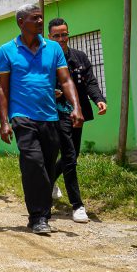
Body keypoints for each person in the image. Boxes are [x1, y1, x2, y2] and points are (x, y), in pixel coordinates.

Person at [0, 4, 83, 235]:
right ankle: (38, 216)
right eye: (35, 18)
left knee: (45, 166)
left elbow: (65, 81)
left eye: (41, 18)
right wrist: (4, 121)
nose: (40, 21)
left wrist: (76, 107)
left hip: (49, 116)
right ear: (21, 22)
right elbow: (2, 89)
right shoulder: (7, 50)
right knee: (32, 163)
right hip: (21, 116)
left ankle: (42, 214)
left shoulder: (53, 48)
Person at [47, 18, 108, 223]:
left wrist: (99, 99)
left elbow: (90, 82)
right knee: (70, 156)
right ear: (50, 37)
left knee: (70, 156)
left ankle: (48, 182)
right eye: (57, 35)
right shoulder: (46, 59)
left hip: (77, 114)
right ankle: (77, 205)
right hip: (54, 114)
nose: (62, 39)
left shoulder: (79, 57)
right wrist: (50, 92)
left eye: (64, 34)